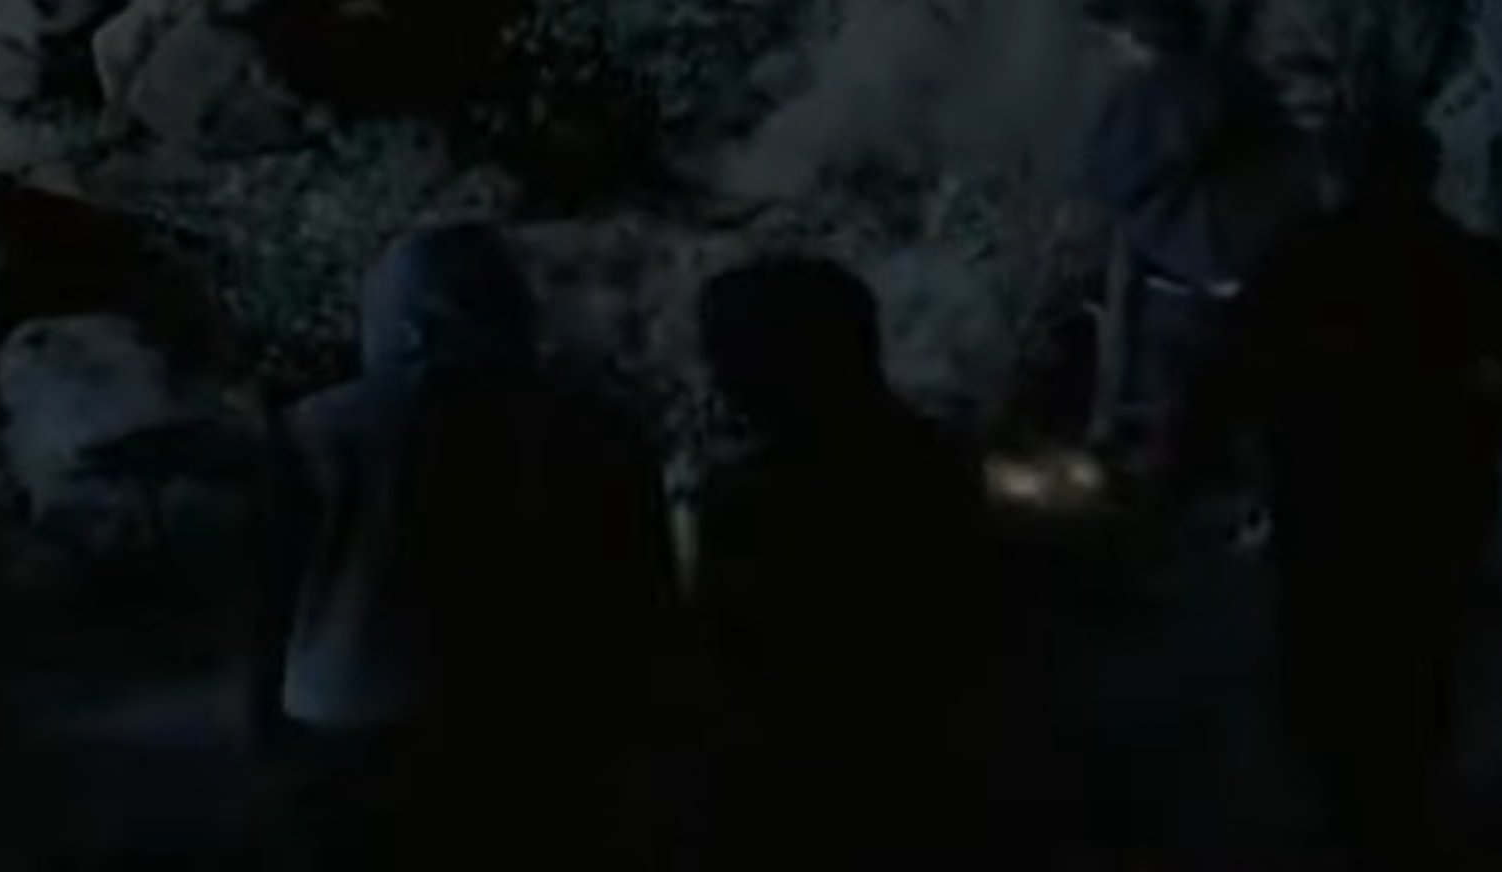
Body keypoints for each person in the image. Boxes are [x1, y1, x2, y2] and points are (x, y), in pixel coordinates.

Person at [1179, 117, 1502, 863]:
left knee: (1329, 661)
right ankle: (1400, 815)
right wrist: (1482, 424)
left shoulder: (1306, 263)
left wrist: (1194, 468)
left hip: (1327, 497)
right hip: (1433, 498)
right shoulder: (1463, 263)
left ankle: (1354, 814)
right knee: (1416, 659)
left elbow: (1222, 377)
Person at [247, 224, 681, 868]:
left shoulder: (314, 430)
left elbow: (272, 593)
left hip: (352, 724)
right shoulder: (593, 424)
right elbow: (645, 596)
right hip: (545, 731)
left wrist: (267, 732)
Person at [692, 258, 992, 866]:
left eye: (728, 355)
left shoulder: (754, 503)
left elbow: (731, 670)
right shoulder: (942, 470)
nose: (717, 376)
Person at [1080, 0, 1324, 473]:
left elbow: (1121, 172)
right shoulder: (1234, 78)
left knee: (1177, 407)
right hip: (1260, 264)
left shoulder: (1165, 89)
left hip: (1199, 267)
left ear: (1138, 35)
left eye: (1117, 37)